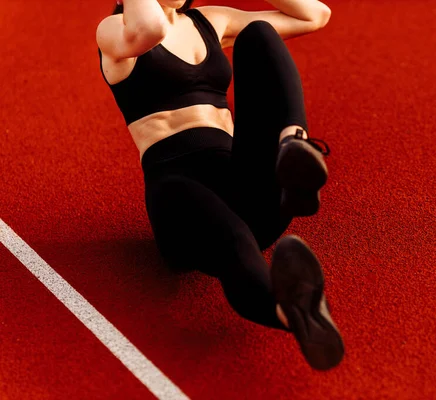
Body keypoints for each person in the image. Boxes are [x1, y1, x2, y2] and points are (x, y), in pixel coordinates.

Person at [96, 0, 344, 370]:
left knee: (259, 34)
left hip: (244, 185)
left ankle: (294, 151)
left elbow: (314, 15)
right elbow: (150, 28)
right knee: (233, 239)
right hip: (179, 195)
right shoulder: (113, 31)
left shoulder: (211, 20)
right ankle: (291, 313)